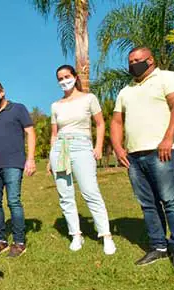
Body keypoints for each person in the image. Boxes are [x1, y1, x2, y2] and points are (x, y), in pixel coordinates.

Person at [111, 47, 174, 268]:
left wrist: (167, 138)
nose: (133, 64)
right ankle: (158, 246)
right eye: (130, 61)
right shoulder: (125, 90)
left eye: (138, 60)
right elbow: (116, 121)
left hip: (162, 151)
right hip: (134, 157)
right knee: (147, 204)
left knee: (171, 201)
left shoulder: (168, 78)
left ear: (150, 60)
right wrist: (118, 149)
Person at [48, 65, 116, 255]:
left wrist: (98, 146)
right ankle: (75, 234)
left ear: (75, 77)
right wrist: (50, 158)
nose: (64, 81)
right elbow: (54, 133)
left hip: (82, 146)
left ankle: (106, 235)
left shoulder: (89, 99)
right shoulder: (55, 105)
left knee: (90, 191)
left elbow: (100, 123)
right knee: (65, 193)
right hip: (60, 149)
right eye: (60, 78)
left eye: (67, 77)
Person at [0, 80, 36, 258]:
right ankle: (0, 240)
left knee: (13, 201)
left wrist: (31, 159)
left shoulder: (18, 109)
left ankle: (19, 242)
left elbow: (30, 132)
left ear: (2, 92)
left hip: (13, 163)